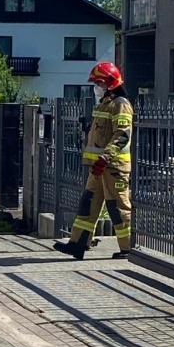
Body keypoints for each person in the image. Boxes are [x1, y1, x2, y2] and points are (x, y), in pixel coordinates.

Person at [54, 61, 132, 260]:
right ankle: (78, 244)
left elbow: (122, 135)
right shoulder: (105, 103)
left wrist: (105, 158)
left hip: (113, 167)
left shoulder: (120, 104)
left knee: (118, 207)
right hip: (98, 167)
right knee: (88, 204)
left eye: (99, 83)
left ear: (109, 84)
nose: (96, 87)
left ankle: (128, 249)